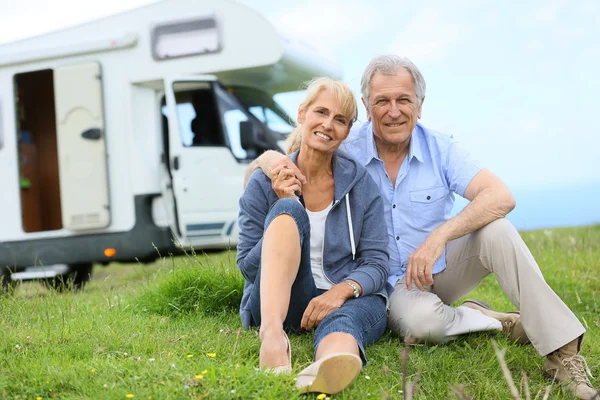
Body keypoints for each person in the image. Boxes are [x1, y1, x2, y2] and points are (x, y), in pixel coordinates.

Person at [246, 55, 597, 399]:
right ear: (367, 108)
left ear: (420, 104)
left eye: (404, 100)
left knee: (499, 230)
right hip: (382, 285)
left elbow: (500, 196)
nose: (394, 110)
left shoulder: (441, 149)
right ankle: (485, 319)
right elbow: (279, 160)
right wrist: (270, 159)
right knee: (423, 324)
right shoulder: (345, 144)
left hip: (434, 270)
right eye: (382, 101)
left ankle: (563, 353)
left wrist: (439, 237)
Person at [236, 77, 389, 395]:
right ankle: (273, 338)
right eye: (321, 112)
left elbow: (376, 262)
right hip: (281, 303)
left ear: (348, 131)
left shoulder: (361, 184)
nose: (328, 125)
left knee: (353, 313)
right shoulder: (264, 183)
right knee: (289, 212)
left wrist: (341, 291)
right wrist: (284, 204)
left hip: (338, 300)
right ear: (302, 114)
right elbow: (248, 268)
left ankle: (329, 366)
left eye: (340, 120)